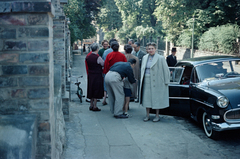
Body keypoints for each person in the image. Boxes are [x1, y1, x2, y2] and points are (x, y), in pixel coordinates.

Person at [139, 42, 170, 122]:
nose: (150, 50)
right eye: (149, 49)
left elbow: (166, 70)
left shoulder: (160, 58)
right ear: (147, 49)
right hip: (146, 80)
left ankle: (157, 115)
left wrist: (166, 82)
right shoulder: (145, 57)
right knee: (146, 98)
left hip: (158, 80)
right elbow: (142, 69)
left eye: (152, 48)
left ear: (155, 49)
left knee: (157, 98)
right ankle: (147, 115)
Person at [85, 43, 104, 111]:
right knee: (96, 89)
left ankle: (91, 105)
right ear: (97, 49)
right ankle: (95, 106)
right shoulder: (98, 57)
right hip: (97, 75)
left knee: (91, 89)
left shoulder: (88, 57)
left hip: (90, 74)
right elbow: (103, 64)